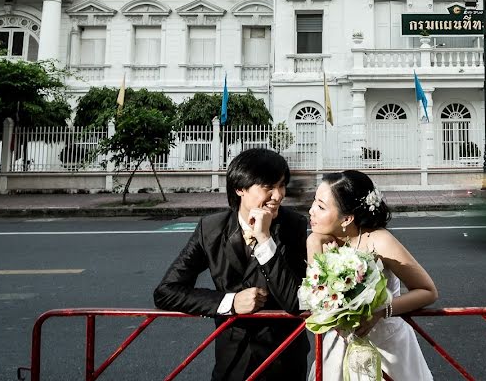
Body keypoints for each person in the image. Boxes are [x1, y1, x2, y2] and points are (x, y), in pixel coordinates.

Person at [154, 148, 310, 380]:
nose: (278, 195)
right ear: (240, 189)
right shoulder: (212, 229)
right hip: (233, 360)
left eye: (282, 185)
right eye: (268, 187)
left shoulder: (292, 225)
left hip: (283, 359)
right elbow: (166, 292)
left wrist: (265, 238)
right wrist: (230, 301)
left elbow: (295, 302)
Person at [307, 170, 438, 380]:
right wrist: (313, 243)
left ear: (347, 218)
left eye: (321, 207)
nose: (311, 211)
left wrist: (380, 311)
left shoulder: (379, 240)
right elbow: (316, 300)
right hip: (338, 345)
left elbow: (428, 291)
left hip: (386, 346)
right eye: (314, 202)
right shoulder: (319, 240)